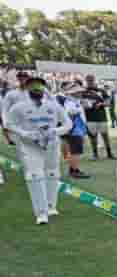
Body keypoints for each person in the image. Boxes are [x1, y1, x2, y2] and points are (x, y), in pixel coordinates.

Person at [5, 76, 71, 224]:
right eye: (32, 86)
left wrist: (55, 131)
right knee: (34, 175)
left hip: (52, 144)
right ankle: (41, 213)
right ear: (27, 89)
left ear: (44, 88)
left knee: (52, 173)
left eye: (39, 86)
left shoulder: (54, 106)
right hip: (30, 146)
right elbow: (9, 124)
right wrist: (24, 133)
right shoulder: (19, 107)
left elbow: (68, 123)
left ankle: (51, 206)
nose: (36, 89)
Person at [56, 82, 91, 179]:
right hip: (75, 129)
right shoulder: (70, 102)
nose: (80, 93)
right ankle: (74, 170)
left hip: (76, 129)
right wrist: (79, 109)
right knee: (76, 151)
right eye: (78, 92)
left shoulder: (74, 101)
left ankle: (74, 169)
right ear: (73, 93)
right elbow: (70, 113)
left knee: (75, 151)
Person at [81, 74, 116, 160]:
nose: (90, 82)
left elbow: (108, 102)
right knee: (93, 137)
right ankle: (95, 154)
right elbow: (80, 102)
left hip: (101, 117)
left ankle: (109, 153)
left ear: (94, 80)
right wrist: (85, 104)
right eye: (88, 81)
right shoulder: (83, 92)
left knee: (105, 136)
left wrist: (101, 104)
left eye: (91, 80)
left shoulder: (101, 91)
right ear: (86, 81)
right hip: (90, 118)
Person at [2, 71, 31, 146]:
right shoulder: (11, 94)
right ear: (18, 79)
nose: (23, 79)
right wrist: (5, 123)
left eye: (25, 77)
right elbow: (5, 109)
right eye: (20, 78)